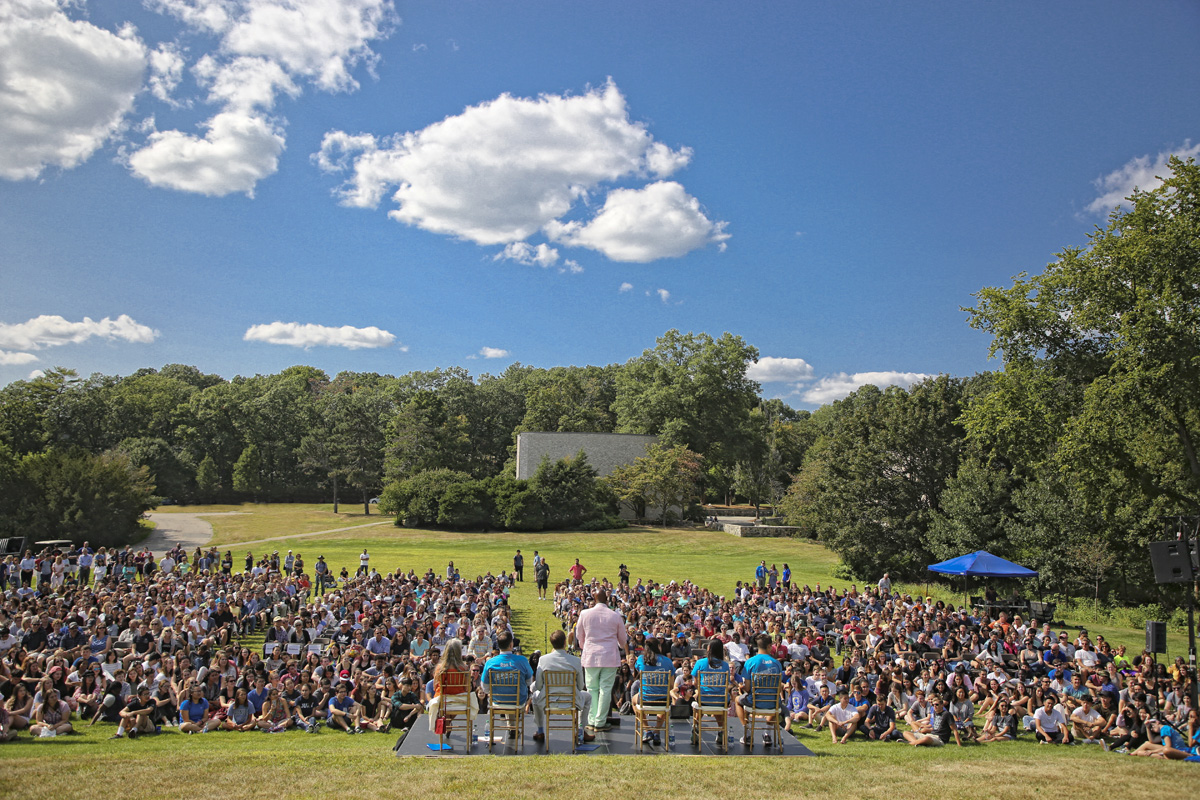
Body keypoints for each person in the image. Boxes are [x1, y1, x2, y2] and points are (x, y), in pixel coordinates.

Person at [573, 589, 626, 733]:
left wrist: (586, 647)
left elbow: (579, 635)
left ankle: (592, 720)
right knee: (605, 690)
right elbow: (623, 640)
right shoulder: (615, 616)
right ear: (607, 599)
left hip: (591, 655)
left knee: (592, 689)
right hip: (609, 656)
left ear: (594, 599)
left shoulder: (585, 613)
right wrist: (620, 645)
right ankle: (600, 721)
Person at [531, 628, 594, 744]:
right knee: (588, 697)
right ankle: (580, 730)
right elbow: (580, 686)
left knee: (534, 696)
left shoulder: (543, 660)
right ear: (565, 643)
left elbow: (539, 686)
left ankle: (540, 730)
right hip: (571, 700)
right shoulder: (575, 660)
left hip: (548, 701)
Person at [481, 631, 533, 739]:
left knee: (507, 694)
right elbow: (529, 682)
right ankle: (513, 728)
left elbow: (485, 687)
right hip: (518, 700)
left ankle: (512, 727)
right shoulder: (522, 660)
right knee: (513, 695)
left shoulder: (490, 663)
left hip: (497, 700)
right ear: (511, 645)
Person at [735, 633, 783, 746]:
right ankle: (767, 732)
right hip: (773, 703)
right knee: (776, 700)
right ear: (770, 646)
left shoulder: (750, 662)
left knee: (738, 700)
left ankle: (747, 732)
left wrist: (743, 688)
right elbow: (778, 686)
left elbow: (747, 688)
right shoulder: (777, 663)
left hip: (755, 701)